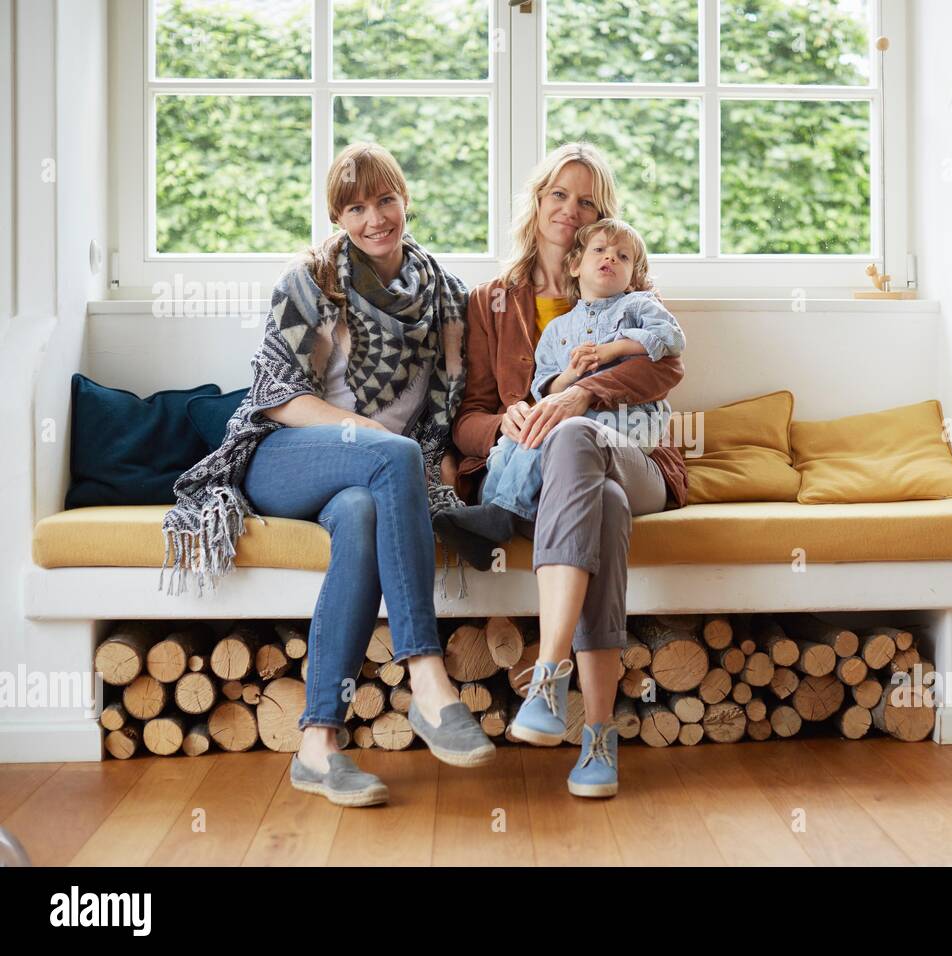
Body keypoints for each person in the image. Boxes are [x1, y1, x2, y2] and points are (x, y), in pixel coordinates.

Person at [161, 142, 496, 807]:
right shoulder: (310, 279)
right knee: (393, 453)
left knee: (367, 511)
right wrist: (368, 434)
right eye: (355, 206)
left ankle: (317, 746)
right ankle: (427, 679)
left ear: (405, 200)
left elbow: (447, 405)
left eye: (385, 200)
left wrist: (450, 464)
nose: (374, 218)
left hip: (372, 483)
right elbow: (278, 396)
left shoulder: (443, 295)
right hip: (286, 459)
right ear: (338, 215)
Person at [451, 143, 688, 797]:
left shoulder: (629, 290)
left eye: (586, 199)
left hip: (636, 459)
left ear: (600, 218)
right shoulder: (491, 301)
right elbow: (468, 415)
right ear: (538, 200)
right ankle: (598, 737)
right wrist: (509, 422)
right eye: (559, 193)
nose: (570, 208)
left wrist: (582, 394)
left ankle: (549, 671)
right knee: (597, 496)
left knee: (580, 434)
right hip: (559, 473)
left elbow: (666, 367)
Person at [435, 217, 683, 570]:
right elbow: (545, 386)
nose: (610, 258)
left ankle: (501, 515)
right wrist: (567, 378)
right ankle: (486, 520)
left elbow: (672, 343)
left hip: (626, 427)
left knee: (560, 433)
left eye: (622, 257)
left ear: (635, 275)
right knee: (517, 440)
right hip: (569, 427)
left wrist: (610, 352)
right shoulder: (556, 329)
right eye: (600, 250)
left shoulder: (639, 306)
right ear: (576, 264)